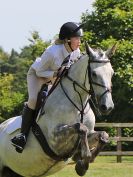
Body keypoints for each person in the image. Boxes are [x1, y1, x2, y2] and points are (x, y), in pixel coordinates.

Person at [11, 22, 83, 153]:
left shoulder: (76, 52)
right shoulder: (52, 52)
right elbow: (39, 72)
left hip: (53, 78)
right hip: (37, 75)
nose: (79, 41)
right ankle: (22, 136)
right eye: (77, 38)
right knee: (34, 100)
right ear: (67, 39)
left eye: (80, 39)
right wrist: (56, 73)